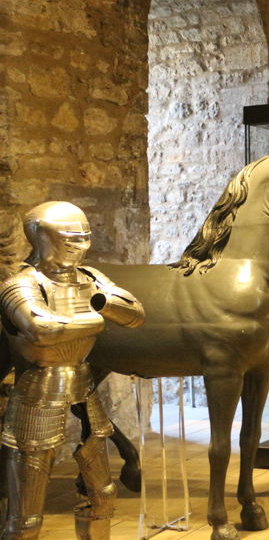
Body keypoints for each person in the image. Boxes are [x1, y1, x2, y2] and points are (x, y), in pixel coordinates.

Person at [0, 202, 145, 540]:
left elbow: (135, 314)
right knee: (25, 517)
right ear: (40, 235)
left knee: (103, 497)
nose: (81, 246)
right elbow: (42, 329)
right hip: (37, 393)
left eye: (85, 238)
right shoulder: (21, 284)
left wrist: (101, 304)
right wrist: (98, 317)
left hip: (84, 389)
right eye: (71, 238)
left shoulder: (90, 277)